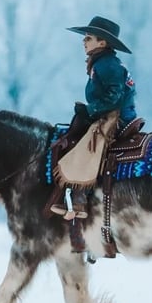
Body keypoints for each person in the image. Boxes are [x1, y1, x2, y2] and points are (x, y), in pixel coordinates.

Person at [50, 16, 137, 225]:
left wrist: (90, 109)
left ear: (102, 43)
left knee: (88, 147)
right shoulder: (102, 63)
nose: (84, 41)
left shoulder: (107, 64)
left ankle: (79, 199)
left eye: (88, 38)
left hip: (116, 118)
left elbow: (114, 97)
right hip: (109, 114)